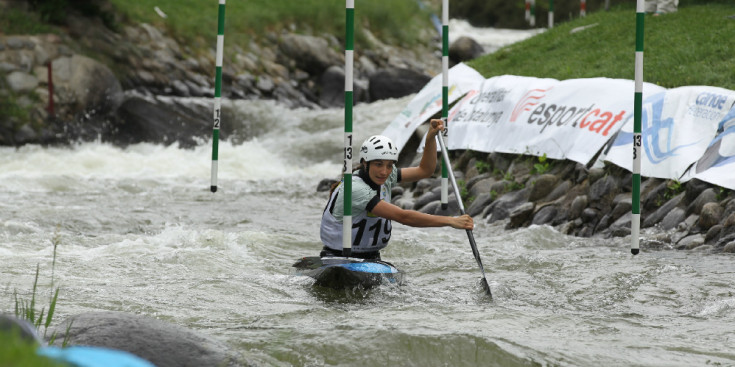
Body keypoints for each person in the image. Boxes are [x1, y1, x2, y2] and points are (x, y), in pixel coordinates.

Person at [319, 118, 474, 260]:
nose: (384, 172)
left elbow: (425, 171)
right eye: (378, 164)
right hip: (337, 255)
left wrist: (430, 137)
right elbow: (403, 217)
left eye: (389, 165)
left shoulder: (386, 176)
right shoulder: (355, 189)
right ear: (365, 163)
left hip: (370, 257)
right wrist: (450, 221)